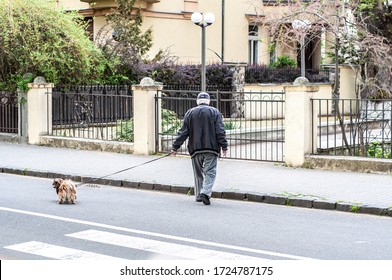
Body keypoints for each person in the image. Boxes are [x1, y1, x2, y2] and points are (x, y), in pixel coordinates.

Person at [171, 92, 228, 205]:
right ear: (208, 101)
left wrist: (175, 147)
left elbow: (183, 132)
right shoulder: (215, 112)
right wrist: (224, 146)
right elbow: (220, 131)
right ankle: (205, 193)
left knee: (198, 173)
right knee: (210, 172)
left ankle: (198, 195)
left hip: (195, 148)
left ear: (197, 101)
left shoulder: (190, 113)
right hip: (211, 148)